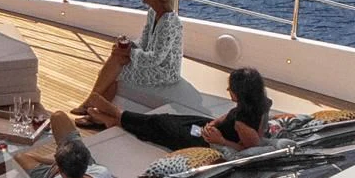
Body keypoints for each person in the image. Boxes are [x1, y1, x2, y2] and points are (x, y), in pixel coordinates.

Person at [81, 66, 272, 153]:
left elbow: (251, 148)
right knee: (168, 118)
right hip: (211, 130)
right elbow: (230, 116)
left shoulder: (242, 124)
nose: (228, 90)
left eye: (231, 89)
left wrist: (221, 141)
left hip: (211, 142)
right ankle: (115, 119)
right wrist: (214, 123)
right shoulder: (261, 103)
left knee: (160, 126)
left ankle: (116, 114)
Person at [70, 0, 182, 117]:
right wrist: (128, 45)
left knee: (115, 71)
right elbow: (143, 43)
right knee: (116, 59)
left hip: (164, 71)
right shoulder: (152, 13)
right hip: (151, 61)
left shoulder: (169, 23)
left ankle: (92, 106)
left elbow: (156, 59)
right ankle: (95, 111)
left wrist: (129, 53)